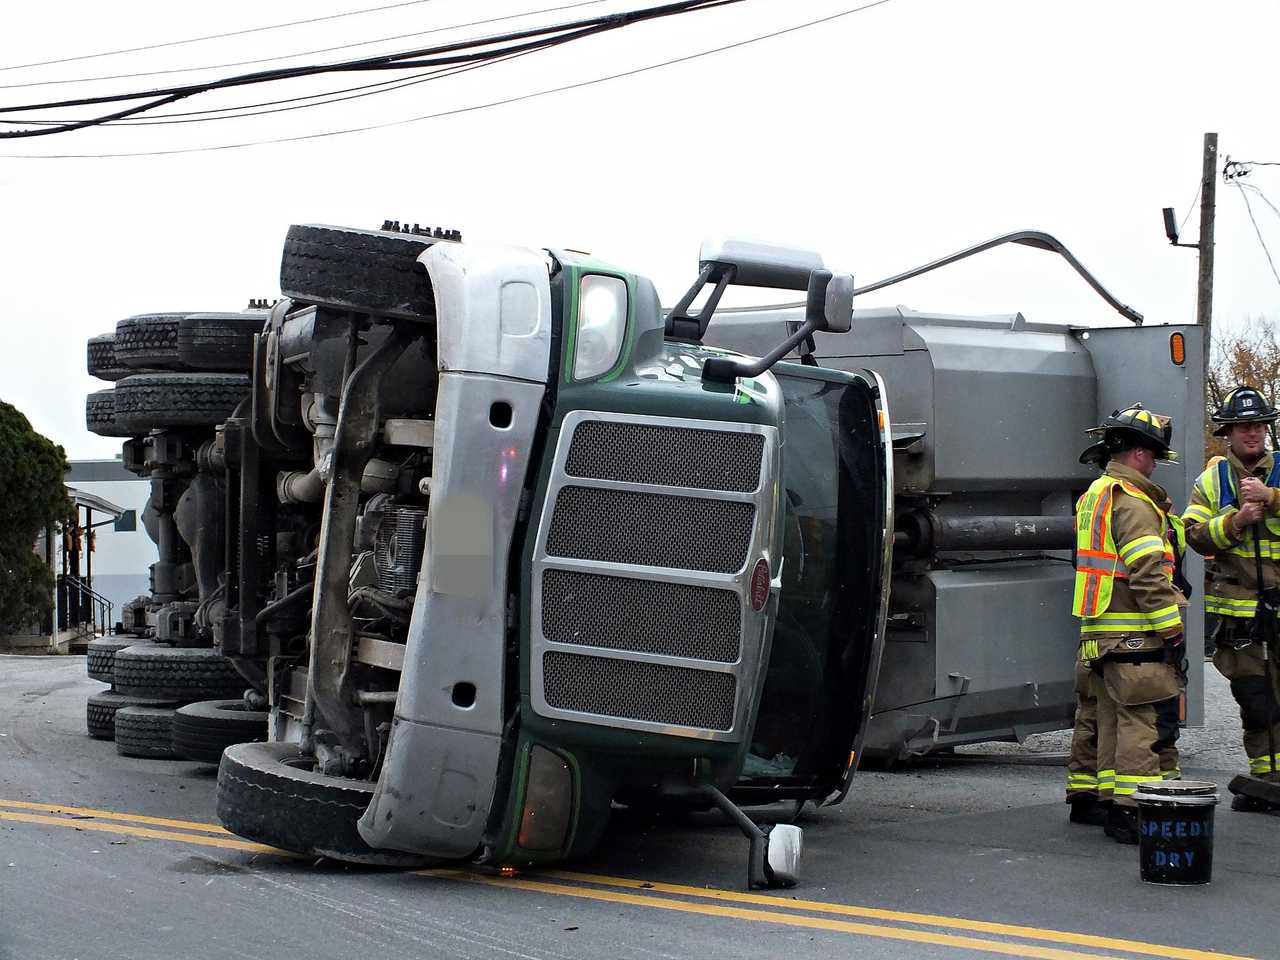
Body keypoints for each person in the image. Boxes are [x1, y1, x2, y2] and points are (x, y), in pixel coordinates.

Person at [1071, 404, 1185, 843]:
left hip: (1100, 634)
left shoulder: (1095, 496)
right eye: (1153, 455)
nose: (1155, 464)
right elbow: (1149, 575)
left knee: (1109, 720)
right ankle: (1132, 811)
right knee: (1141, 722)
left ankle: (1107, 800)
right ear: (1138, 453)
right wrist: (1172, 630)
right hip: (1136, 634)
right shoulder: (1134, 504)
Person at [1182, 385, 1280, 811]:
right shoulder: (1212, 480)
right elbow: (1194, 533)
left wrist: (1271, 499)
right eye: (1243, 427)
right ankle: (1266, 780)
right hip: (1239, 615)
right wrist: (1236, 520)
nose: (1252, 433)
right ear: (1229, 432)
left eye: (1258, 425)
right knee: (1257, 701)